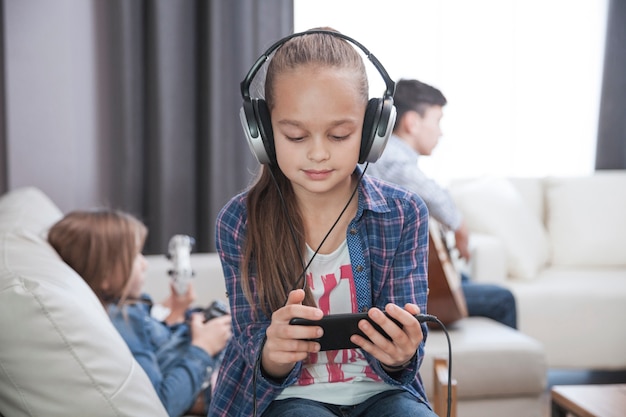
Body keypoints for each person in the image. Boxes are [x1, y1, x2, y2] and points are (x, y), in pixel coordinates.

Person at [210, 28, 437, 417]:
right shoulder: (239, 221)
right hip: (283, 398)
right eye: (296, 136)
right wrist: (274, 354)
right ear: (261, 133)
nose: (317, 153)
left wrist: (401, 354)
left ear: (371, 132)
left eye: (339, 134)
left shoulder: (404, 213)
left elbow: (406, 349)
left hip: (381, 392)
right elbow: (251, 344)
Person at [47, 209, 232, 417]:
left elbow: (156, 348)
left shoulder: (124, 309)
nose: (144, 264)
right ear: (106, 276)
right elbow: (161, 403)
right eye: (135, 256)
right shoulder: (123, 320)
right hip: (216, 379)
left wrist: (175, 312)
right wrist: (204, 347)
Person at [366, 78, 517, 329]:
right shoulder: (391, 157)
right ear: (412, 123)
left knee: (464, 279)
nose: (441, 132)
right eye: (437, 121)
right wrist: (459, 226)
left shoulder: (391, 154)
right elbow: (435, 196)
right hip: (393, 285)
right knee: (504, 298)